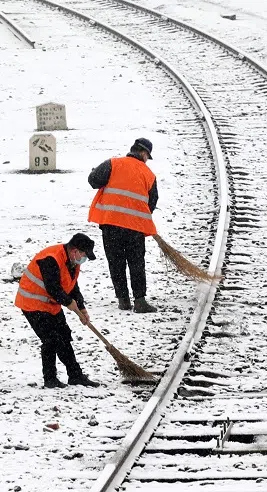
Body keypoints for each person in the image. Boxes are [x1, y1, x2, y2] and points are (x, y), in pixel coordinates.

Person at [15, 233, 100, 389]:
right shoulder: (51, 259)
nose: (84, 259)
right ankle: (50, 379)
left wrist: (81, 307)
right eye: (84, 255)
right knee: (51, 340)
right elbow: (53, 287)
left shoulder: (73, 262)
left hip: (51, 304)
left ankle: (75, 375)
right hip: (32, 303)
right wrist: (68, 302)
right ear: (74, 250)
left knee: (64, 337)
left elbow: (72, 286)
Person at [87, 138, 159, 313]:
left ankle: (123, 300)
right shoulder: (149, 175)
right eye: (147, 157)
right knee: (136, 262)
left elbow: (93, 181)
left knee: (116, 262)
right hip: (134, 228)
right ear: (143, 153)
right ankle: (140, 301)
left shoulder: (112, 163)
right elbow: (152, 201)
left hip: (110, 224)